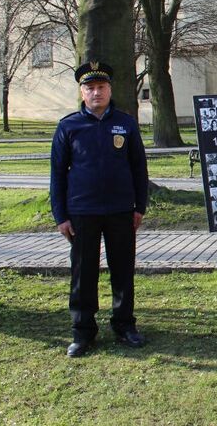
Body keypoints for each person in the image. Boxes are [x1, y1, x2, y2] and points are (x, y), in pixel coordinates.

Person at [50, 61, 149, 358]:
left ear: (110, 89)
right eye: (90, 88)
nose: (96, 93)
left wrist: (139, 207)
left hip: (120, 210)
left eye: (101, 87)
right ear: (82, 92)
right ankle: (83, 332)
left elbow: (138, 168)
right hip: (82, 211)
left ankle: (124, 325)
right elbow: (57, 173)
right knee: (83, 272)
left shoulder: (126, 124)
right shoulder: (68, 126)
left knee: (122, 270)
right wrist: (61, 216)